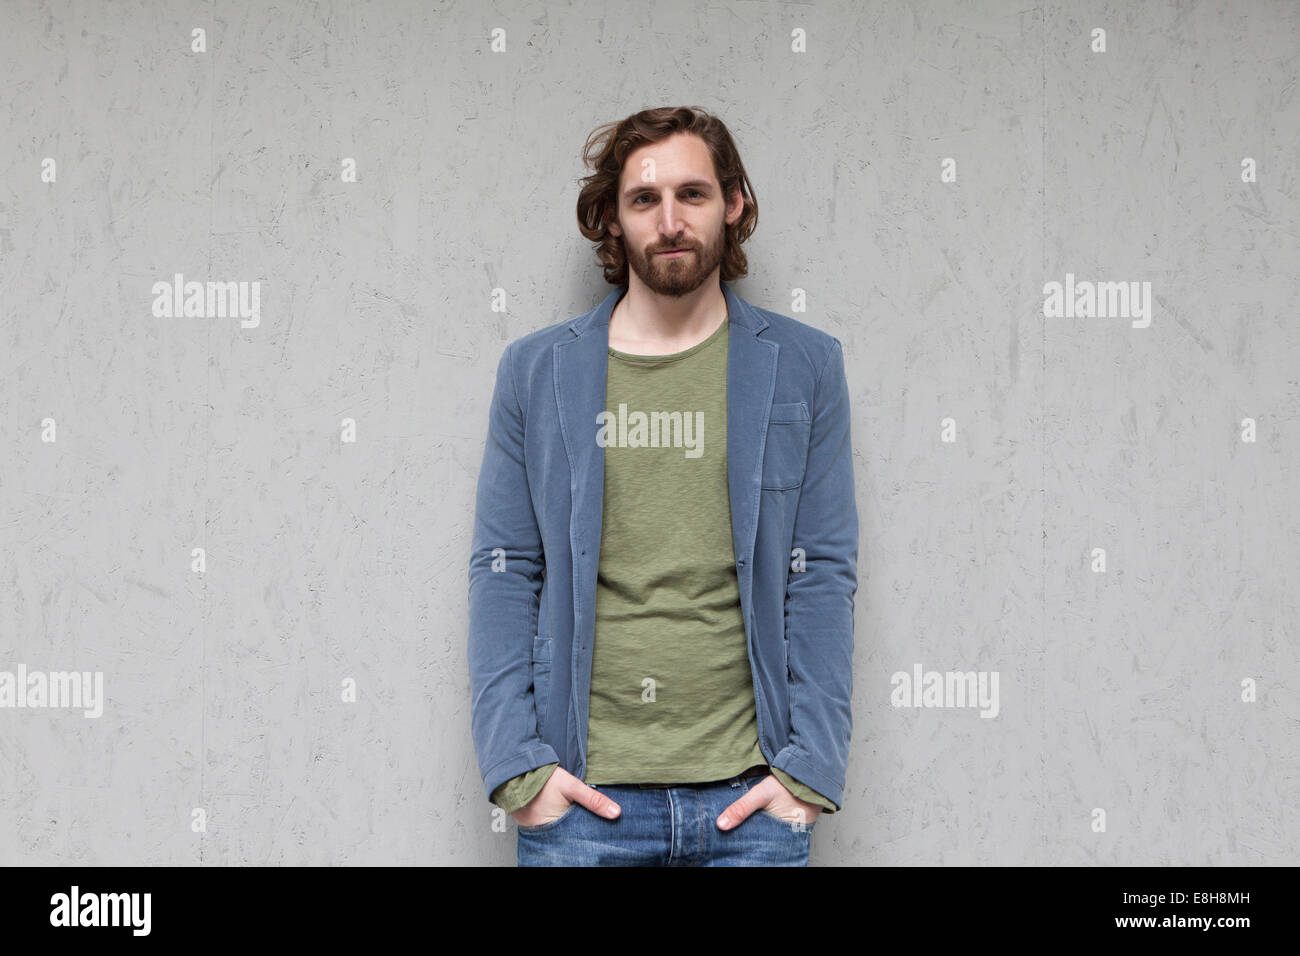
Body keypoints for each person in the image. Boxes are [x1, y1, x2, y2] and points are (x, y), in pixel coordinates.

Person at [467, 106, 858, 866]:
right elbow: (504, 571)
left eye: (694, 194)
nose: (670, 221)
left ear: (734, 203)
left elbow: (823, 573)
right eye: (644, 199)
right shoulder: (537, 371)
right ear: (612, 219)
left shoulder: (805, 366)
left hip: (751, 803)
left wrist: (807, 772)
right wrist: (519, 767)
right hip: (583, 804)